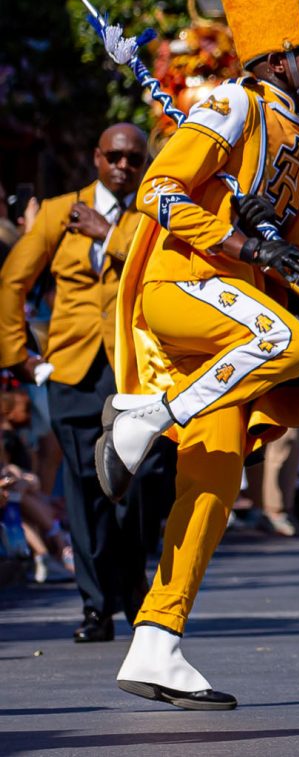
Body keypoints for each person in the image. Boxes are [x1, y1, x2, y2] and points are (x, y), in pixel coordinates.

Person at [97, 0, 299, 709]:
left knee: (215, 474)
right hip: (179, 290)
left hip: (234, 317)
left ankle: (157, 639)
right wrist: (237, 232)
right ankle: (145, 416)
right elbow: (160, 194)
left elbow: (294, 257)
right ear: (276, 57)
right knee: (285, 340)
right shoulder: (230, 102)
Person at [0, 122, 169, 643]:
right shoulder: (56, 211)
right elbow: (13, 280)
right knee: (86, 491)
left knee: (139, 483)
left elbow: (163, 269)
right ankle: (96, 606)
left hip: (134, 372)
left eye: (133, 159)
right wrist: (20, 357)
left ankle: (135, 582)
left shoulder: (152, 217)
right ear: (96, 158)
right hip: (72, 369)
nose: (123, 166)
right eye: (114, 157)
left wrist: (109, 234)